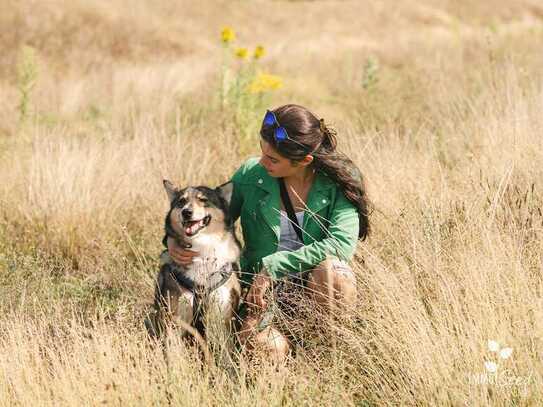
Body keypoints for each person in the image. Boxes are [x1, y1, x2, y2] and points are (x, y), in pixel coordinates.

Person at [166, 104, 370, 361]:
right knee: (262, 350)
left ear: (305, 161)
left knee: (335, 274)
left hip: (315, 284)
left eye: (273, 159)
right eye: (263, 151)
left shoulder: (340, 180)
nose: (262, 162)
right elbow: (214, 217)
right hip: (262, 293)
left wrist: (274, 265)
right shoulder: (252, 174)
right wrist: (177, 240)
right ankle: (281, 353)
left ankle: (325, 355)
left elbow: (341, 245)